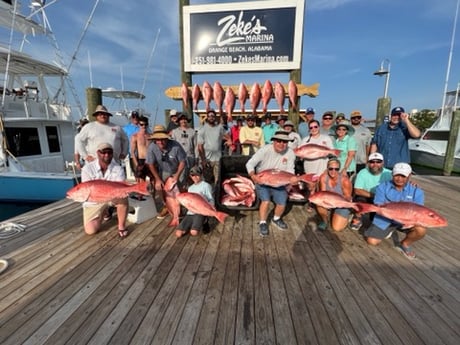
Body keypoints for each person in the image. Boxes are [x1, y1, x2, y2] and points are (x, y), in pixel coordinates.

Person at [364, 162, 425, 259]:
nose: (399, 179)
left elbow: (419, 210)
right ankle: (387, 230)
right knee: (372, 242)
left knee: (421, 230)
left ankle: (405, 244)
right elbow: (378, 205)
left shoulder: (417, 191)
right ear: (392, 174)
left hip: (406, 220)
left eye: (403, 176)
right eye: (397, 175)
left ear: (409, 176)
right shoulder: (382, 187)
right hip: (385, 219)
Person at [246, 130, 298, 237]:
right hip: (263, 180)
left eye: (285, 142)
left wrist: (292, 181)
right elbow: (250, 163)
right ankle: (263, 223)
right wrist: (253, 176)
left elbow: (290, 170)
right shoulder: (264, 150)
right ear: (273, 141)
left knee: (282, 202)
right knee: (265, 201)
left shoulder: (291, 153)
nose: (282, 144)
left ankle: (276, 218)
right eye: (279, 141)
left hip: (279, 182)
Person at [81, 142, 129, 238]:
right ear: (98, 153)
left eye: (109, 152)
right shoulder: (87, 169)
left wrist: (122, 192)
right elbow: (87, 192)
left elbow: (120, 186)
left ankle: (121, 227)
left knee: (123, 198)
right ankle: (104, 211)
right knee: (91, 230)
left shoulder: (118, 168)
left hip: (112, 197)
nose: (107, 155)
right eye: (103, 152)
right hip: (94, 201)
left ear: (112, 153)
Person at [146, 125, 187, 218]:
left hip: (178, 169)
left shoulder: (176, 145)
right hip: (164, 170)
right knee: (159, 187)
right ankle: (166, 206)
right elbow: (150, 164)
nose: (160, 142)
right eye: (157, 139)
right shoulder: (152, 147)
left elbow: (182, 162)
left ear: (167, 138)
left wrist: (177, 175)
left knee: (180, 187)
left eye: (163, 139)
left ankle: (180, 208)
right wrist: (157, 179)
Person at [349, 152, 392, 230]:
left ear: (383, 163)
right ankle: (357, 217)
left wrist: (412, 184)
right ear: (368, 163)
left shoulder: (389, 173)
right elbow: (357, 190)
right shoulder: (362, 172)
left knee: (375, 220)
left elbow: (401, 183)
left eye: (378, 161)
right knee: (360, 200)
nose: (375, 164)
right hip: (367, 196)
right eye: (372, 162)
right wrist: (375, 195)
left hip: (382, 200)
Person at [175, 166, 214, 238]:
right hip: (190, 212)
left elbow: (211, 199)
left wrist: (210, 210)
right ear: (190, 176)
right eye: (193, 175)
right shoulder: (190, 188)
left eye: (197, 174)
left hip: (200, 212)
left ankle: (205, 220)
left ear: (201, 175)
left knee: (194, 232)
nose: (195, 177)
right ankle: (191, 225)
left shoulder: (206, 185)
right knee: (178, 234)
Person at [316, 158, 353, 232]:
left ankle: (348, 216)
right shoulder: (323, 177)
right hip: (331, 202)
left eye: (336, 169)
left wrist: (337, 203)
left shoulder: (345, 180)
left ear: (339, 169)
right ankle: (325, 221)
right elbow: (323, 193)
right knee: (319, 202)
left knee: (337, 228)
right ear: (327, 168)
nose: (333, 171)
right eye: (331, 168)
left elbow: (348, 197)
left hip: (342, 203)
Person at [197, 109, 230, 184]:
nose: (211, 117)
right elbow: (200, 146)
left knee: (218, 180)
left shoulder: (220, 128)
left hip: (218, 159)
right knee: (207, 180)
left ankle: (216, 194)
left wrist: (229, 141)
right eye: (209, 116)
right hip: (207, 159)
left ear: (215, 117)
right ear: (207, 117)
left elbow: (227, 136)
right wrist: (203, 160)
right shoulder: (202, 129)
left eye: (213, 116)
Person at [171, 113, 196, 179]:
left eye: (185, 119)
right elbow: (173, 146)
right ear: (179, 121)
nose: (183, 121)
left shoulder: (193, 132)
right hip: (179, 158)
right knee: (181, 177)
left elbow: (196, 146)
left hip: (190, 157)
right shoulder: (174, 132)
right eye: (181, 119)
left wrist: (196, 158)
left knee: (191, 177)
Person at [130, 116, 153, 183]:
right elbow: (133, 152)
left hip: (150, 160)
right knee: (141, 183)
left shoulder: (151, 136)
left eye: (145, 124)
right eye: (142, 124)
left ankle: (152, 193)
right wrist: (137, 164)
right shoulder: (135, 136)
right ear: (138, 125)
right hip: (141, 161)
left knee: (153, 180)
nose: (144, 126)